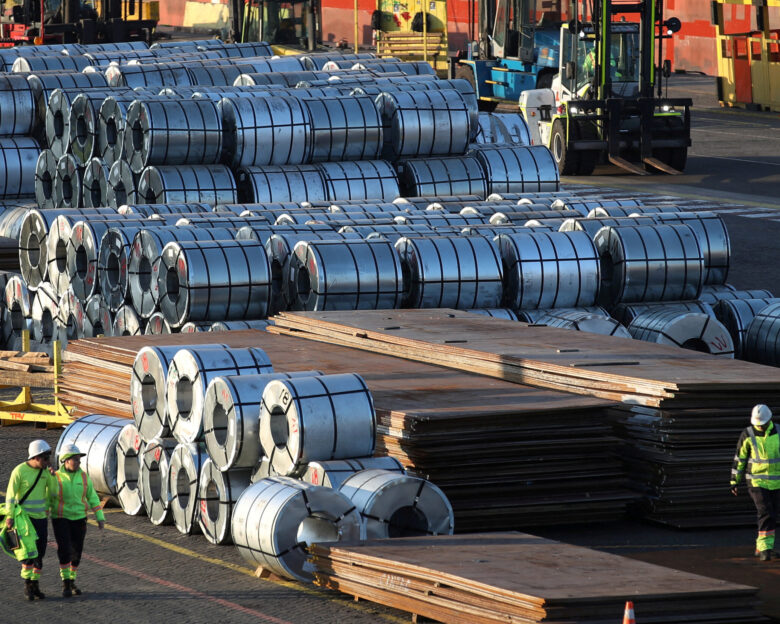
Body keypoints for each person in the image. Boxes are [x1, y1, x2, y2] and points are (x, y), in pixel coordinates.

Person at [49, 444, 105, 597]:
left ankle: (72, 580)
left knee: (77, 551)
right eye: (76, 459)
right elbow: (49, 496)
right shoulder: (56, 477)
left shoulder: (84, 477)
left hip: (80, 519)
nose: (79, 462)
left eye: (79, 459)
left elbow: (92, 497)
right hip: (61, 518)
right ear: (66, 460)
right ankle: (66, 582)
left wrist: (100, 517)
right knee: (64, 550)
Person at [4, 439, 56, 600]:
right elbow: (10, 495)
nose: (48, 461)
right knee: (28, 554)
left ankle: (35, 584)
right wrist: (10, 516)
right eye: (45, 458)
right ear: (36, 457)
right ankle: (27, 584)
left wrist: (53, 477)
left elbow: (53, 493)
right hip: (25, 521)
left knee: (40, 554)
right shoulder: (19, 471)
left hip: (40, 520)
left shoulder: (45, 472)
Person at [731, 404, 780, 561]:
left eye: (762, 424)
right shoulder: (748, 434)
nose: (760, 426)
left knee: (772, 514)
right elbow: (740, 458)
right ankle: (765, 548)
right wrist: (734, 481)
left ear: (769, 420)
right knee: (765, 512)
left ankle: (763, 547)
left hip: (776, 481)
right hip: (756, 481)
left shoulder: (778, 432)